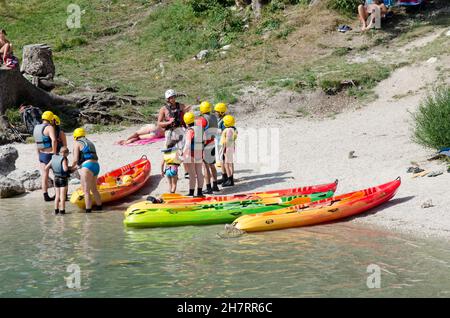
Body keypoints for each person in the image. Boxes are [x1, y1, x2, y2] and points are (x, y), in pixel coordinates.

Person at [71, 128, 102, 213]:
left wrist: (71, 168)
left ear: (75, 136)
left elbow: (75, 160)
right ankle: (100, 208)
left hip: (87, 167)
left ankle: (88, 212)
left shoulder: (77, 143)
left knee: (86, 191)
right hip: (96, 166)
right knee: (94, 190)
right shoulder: (90, 142)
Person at [33, 111, 58, 201]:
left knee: (44, 175)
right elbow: (54, 140)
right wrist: (54, 153)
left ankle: (45, 196)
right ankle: (58, 194)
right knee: (56, 174)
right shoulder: (49, 127)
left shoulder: (36, 127)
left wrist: (38, 155)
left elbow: (36, 142)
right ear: (51, 119)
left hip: (41, 154)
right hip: (49, 154)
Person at [199, 101, 220, 194]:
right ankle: (215, 185)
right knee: (212, 165)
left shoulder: (202, 119)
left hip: (205, 144)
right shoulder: (214, 117)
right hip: (212, 143)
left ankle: (208, 187)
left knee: (205, 167)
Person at [182, 112, 204, 197]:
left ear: (186, 122)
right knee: (199, 172)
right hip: (199, 152)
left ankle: (191, 193)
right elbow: (204, 140)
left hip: (191, 153)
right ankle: (200, 192)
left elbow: (187, 144)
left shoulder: (190, 130)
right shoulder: (199, 128)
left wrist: (182, 153)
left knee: (191, 174)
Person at [46, 147, 70, 215]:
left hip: (55, 178)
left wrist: (54, 169)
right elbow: (65, 169)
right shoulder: (64, 159)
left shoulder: (54, 158)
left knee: (57, 196)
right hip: (63, 179)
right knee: (62, 197)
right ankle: (62, 211)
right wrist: (69, 168)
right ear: (66, 153)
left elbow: (46, 167)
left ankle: (56, 211)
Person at [214, 103, 230, 185]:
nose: (215, 113)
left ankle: (226, 177)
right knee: (221, 160)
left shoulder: (224, 121)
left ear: (221, 112)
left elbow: (225, 133)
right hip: (218, 142)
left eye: (216, 111)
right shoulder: (219, 119)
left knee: (223, 160)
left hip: (222, 143)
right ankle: (224, 176)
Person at [220, 115, 238, 187]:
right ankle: (230, 179)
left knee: (227, 164)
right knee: (229, 163)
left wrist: (224, 148)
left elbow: (227, 141)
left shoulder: (228, 130)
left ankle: (230, 180)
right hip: (231, 147)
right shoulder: (233, 129)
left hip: (228, 148)